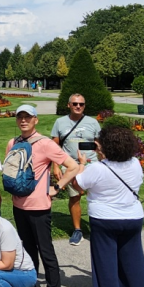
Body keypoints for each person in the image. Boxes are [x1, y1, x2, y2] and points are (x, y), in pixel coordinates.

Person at [59, 125, 144, 287]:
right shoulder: (135, 163)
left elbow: (78, 185)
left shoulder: (97, 169)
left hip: (105, 218)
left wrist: (82, 164)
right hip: (132, 216)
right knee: (132, 260)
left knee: (105, 263)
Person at [5, 104, 78, 287]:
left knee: (46, 251)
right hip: (19, 206)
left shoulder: (45, 144)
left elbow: (72, 166)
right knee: (27, 250)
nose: (23, 120)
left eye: (28, 117)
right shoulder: (13, 143)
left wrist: (58, 187)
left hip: (39, 207)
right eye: (20, 117)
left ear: (36, 119)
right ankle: (31, 283)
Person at [51, 94, 101, 246]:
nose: (78, 106)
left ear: (84, 106)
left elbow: (99, 145)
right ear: (69, 105)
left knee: (97, 197)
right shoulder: (60, 122)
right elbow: (54, 147)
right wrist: (56, 166)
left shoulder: (92, 122)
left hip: (91, 164)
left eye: (81, 104)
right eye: (75, 104)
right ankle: (77, 229)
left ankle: (98, 228)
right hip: (71, 166)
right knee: (75, 197)